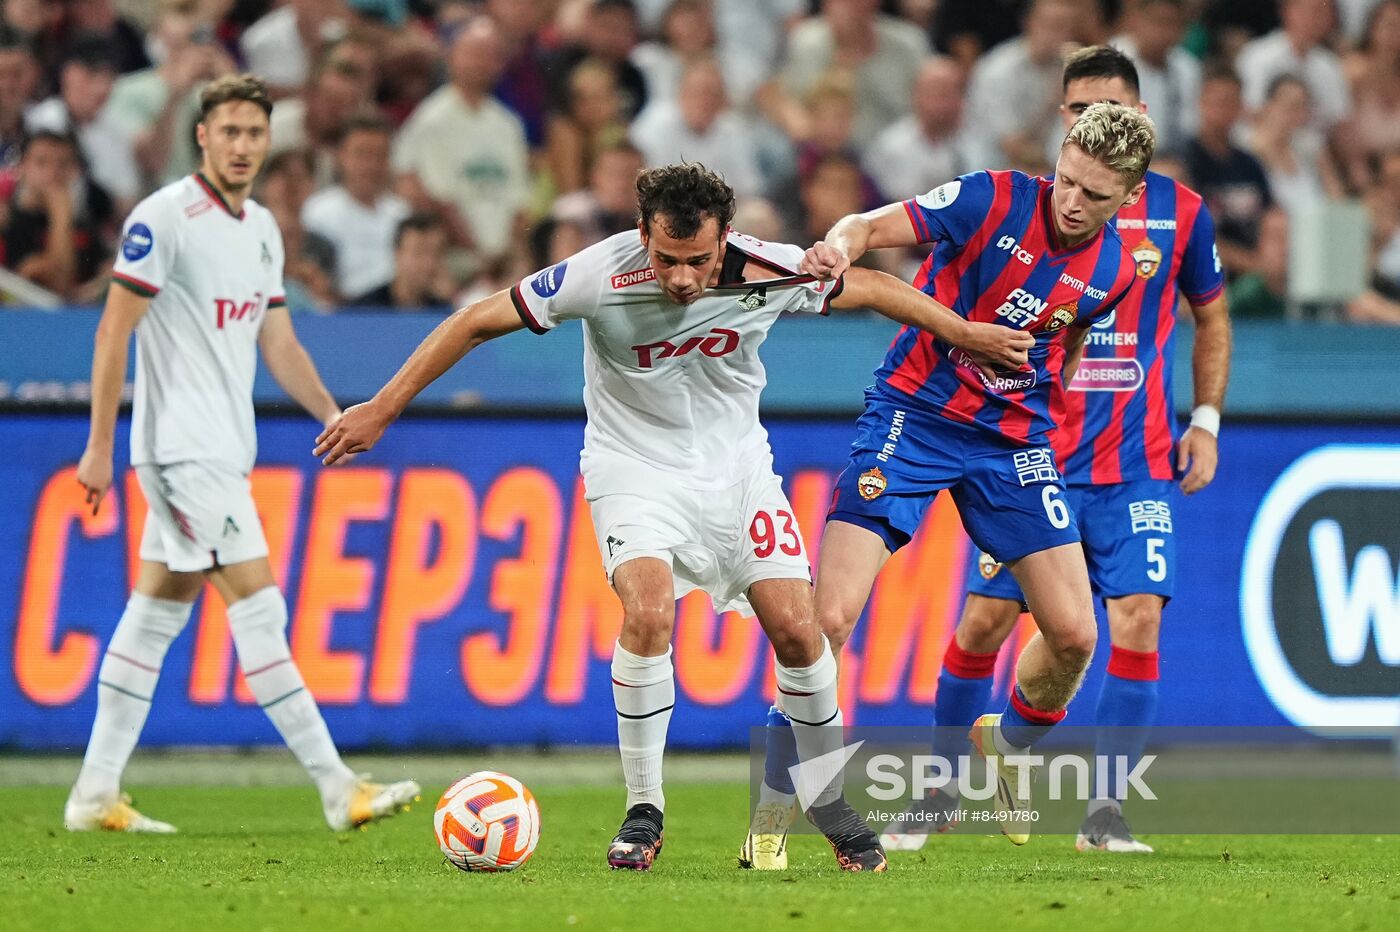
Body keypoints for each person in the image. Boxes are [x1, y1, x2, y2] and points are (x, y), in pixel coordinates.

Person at [314, 162, 1033, 873]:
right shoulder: (597, 275)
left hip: (739, 472)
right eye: (666, 259)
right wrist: (382, 406)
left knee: (798, 628)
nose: (683, 278)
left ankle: (828, 799)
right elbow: (475, 321)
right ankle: (644, 808)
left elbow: (870, 286)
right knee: (650, 611)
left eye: (697, 260)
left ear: (724, 240)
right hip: (634, 469)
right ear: (641, 235)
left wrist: (963, 334)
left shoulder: (767, 268)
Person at [741, 101, 1153, 869]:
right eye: (1067, 180)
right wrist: (836, 243)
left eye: (1094, 195)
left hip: (1012, 443)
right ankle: (771, 814)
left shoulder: (1117, 272)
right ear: (1056, 159)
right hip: (914, 417)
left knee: (1074, 636)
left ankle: (1004, 738)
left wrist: (1040, 415)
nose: (1072, 201)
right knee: (827, 620)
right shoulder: (988, 198)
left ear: (1129, 199)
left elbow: (1065, 342)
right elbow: (868, 226)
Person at [882, 45, 1232, 857]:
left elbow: (1211, 315)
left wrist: (1206, 418)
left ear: (1138, 120)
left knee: (1137, 622)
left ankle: (1102, 813)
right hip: (1033, 451)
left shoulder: (1182, 214)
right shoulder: (1029, 208)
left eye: (1101, 109)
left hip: (1135, 461)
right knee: (983, 622)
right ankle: (939, 790)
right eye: (1073, 111)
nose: (1084, 124)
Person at [66, 74, 418, 834]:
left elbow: (279, 341)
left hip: (224, 451)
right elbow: (111, 332)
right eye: (228, 131)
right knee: (260, 607)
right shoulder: (164, 218)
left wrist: (334, 413)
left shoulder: (261, 225)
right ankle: (336, 786)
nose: (241, 146)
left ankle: (94, 794)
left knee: (155, 614)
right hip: (179, 451)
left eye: (254, 134)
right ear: (202, 136)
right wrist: (99, 445)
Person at [351, 212, 453, 311]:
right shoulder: (365, 310)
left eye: (437, 253)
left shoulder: (447, 311)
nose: (429, 263)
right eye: (419, 252)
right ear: (397, 254)